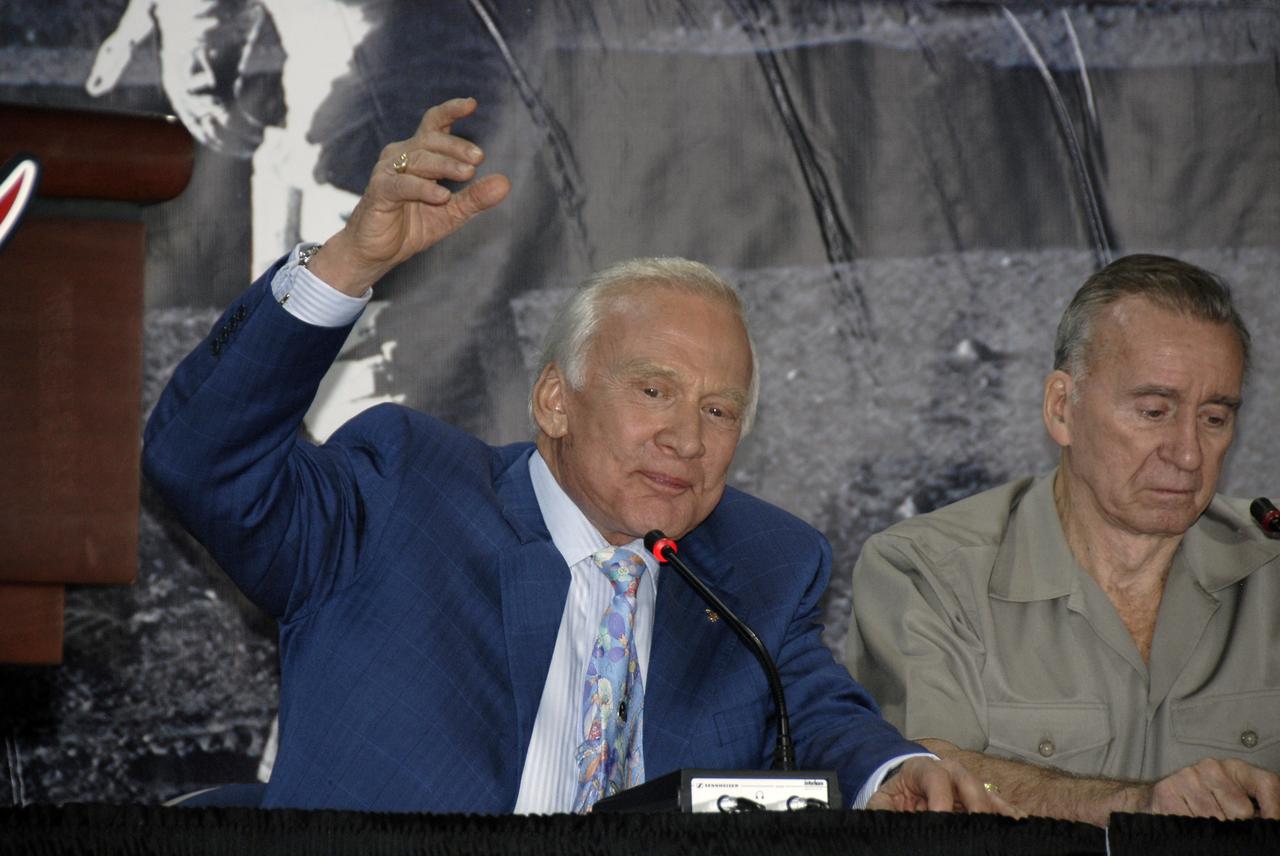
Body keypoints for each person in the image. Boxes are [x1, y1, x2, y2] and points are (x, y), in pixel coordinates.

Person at [143, 97, 1003, 815]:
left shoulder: (758, 569)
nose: (687, 439)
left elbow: (818, 718)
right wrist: (344, 267)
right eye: (654, 392)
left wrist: (893, 774)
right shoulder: (402, 497)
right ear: (555, 398)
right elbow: (201, 459)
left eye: (718, 410)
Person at [846, 253, 1280, 825]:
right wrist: (1134, 807)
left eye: (1214, 419)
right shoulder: (929, 572)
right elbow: (928, 779)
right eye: (1154, 411)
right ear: (1061, 409)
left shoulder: (1269, 568)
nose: (1188, 453)